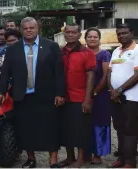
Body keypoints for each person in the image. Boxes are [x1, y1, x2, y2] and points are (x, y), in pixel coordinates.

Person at [0, 17, 66, 168]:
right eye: (25, 28)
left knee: (50, 127)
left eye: (31, 28)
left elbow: (59, 72)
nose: (28, 31)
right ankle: (31, 158)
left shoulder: (51, 46)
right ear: (21, 30)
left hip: (46, 95)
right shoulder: (13, 48)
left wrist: (60, 93)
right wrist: (0, 91)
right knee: (26, 128)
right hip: (22, 95)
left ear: (38, 29)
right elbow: (6, 71)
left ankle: (53, 160)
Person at [106, 23, 138, 168]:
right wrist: (112, 90)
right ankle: (121, 158)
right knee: (119, 128)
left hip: (131, 98)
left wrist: (119, 90)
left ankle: (130, 162)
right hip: (115, 97)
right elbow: (109, 72)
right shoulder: (116, 51)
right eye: (119, 33)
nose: (121, 35)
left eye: (124, 33)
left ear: (132, 33)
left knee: (130, 129)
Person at [58, 23, 96, 168]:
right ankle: (69, 157)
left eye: (74, 32)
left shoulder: (87, 53)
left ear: (79, 35)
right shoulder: (61, 52)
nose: (70, 35)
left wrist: (88, 99)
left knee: (80, 130)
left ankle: (80, 159)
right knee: (66, 129)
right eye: (67, 32)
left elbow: (91, 77)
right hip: (63, 97)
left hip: (80, 97)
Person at [84, 28, 112, 164]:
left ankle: (97, 154)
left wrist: (95, 92)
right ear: (85, 39)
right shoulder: (82, 53)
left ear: (99, 39)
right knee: (85, 124)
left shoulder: (104, 54)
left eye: (95, 37)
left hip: (100, 95)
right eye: (89, 36)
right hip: (84, 94)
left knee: (99, 124)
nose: (92, 39)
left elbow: (106, 75)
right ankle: (86, 153)